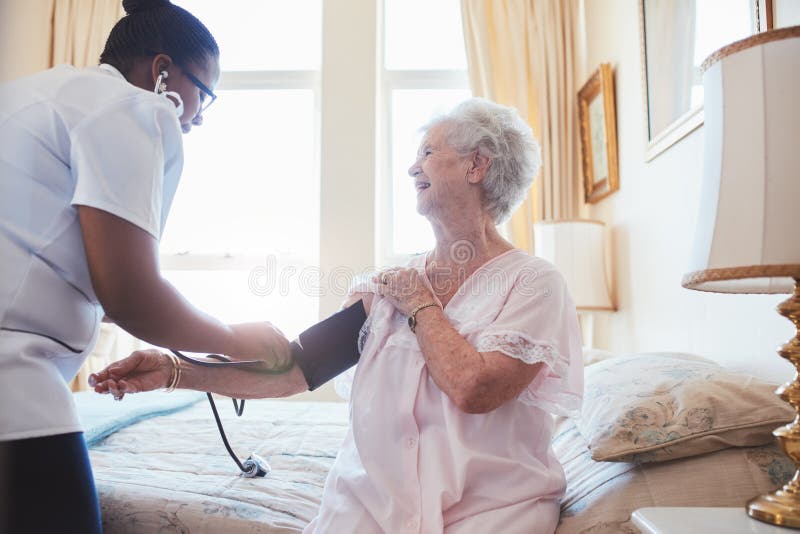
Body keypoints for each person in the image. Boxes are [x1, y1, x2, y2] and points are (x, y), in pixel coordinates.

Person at [92, 98, 583, 533]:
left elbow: (475, 388)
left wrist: (421, 304)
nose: (413, 168)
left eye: (428, 154)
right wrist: (174, 372)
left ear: (477, 165)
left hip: (492, 511)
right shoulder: (385, 287)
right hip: (371, 509)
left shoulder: (532, 283)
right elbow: (294, 370)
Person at [0, 1, 291, 532]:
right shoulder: (132, 108)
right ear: (162, 71)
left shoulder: (34, 95)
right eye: (205, 94)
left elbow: (52, 264)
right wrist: (236, 337)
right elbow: (130, 295)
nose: (199, 116)